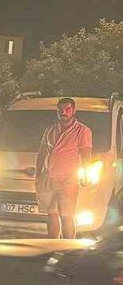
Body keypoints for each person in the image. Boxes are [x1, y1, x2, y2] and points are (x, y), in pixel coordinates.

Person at [36, 97, 92, 240]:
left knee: (66, 216)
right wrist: (38, 175)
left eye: (67, 109)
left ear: (74, 110)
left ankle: (69, 249)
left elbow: (86, 155)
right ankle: (52, 247)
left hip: (68, 180)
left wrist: (86, 174)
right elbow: (42, 153)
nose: (63, 112)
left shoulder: (82, 131)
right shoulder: (51, 130)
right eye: (60, 110)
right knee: (51, 215)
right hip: (49, 178)